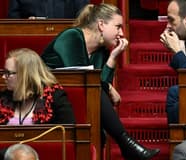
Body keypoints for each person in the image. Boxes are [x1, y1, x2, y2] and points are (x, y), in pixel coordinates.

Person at [41, 3, 160, 160]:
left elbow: (96, 88)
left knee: (98, 108)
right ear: (101, 25)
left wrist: (112, 58)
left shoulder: (101, 51)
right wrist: (109, 87)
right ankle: (127, 144)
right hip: (45, 99)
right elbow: (82, 79)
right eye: (118, 27)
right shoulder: (72, 36)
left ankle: (127, 145)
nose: (122, 33)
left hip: (75, 102)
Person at [0, 48, 75, 125]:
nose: (3, 77)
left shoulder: (54, 98)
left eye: (8, 73)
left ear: (26, 75)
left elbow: (68, 132)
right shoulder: (3, 98)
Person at [8, 0, 89, 19]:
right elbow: (13, 17)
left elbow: (84, 17)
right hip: (31, 40)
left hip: (68, 38)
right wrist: (27, 25)